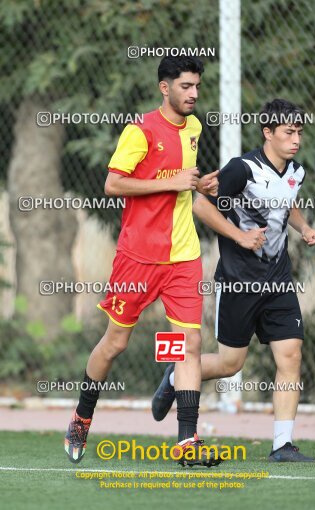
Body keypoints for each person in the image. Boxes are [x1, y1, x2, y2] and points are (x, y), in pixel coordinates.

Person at [64, 55, 221, 466]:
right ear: (164, 88)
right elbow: (113, 183)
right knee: (116, 342)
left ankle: (187, 442)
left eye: (197, 87)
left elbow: (181, 184)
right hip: (138, 258)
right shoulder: (141, 129)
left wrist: (198, 183)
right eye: (186, 86)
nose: (194, 94)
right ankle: (82, 415)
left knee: (191, 343)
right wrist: (170, 182)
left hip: (184, 256)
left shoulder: (195, 128)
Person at [152, 98, 315, 462]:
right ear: (268, 133)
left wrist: (304, 227)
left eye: (299, 132)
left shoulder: (296, 172)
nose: (296, 140)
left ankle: (282, 445)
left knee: (290, 354)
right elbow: (201, 205)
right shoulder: (241, 169)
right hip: (238, 280)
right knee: (231, 364)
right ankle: (174, 376)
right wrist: (241, 237)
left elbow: (286, 200)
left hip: (277, 280)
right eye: (288, 132)